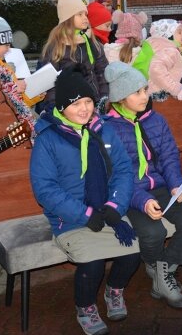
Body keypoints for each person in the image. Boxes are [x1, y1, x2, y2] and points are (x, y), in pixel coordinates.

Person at [29, 65, 140, 335]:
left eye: (89, 101)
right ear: (62, 107)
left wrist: (116, 206)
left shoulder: (104, 129)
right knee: (92, 263)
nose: (85, 109)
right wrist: (85, 214)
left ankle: (114, 291)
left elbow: (124, 170)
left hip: (106, 209)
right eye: (76, 103)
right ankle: (85, 307)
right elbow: (45, 189)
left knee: (132, 253)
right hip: (70, 218)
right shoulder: (49, 139)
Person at [102, 62, 182, 308]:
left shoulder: (155, 120)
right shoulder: (106, 129)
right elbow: (116, 176)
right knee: (153, 233)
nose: (145, 96)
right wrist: (143, 201)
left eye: (145, 89)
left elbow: (168, 157)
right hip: (129, 193)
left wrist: (176, 185)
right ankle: (161, 274)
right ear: (120, 98)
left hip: (159, 186)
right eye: (137, 92)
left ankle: (162, 272)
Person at [39, 0, 109, 109]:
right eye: (80, 14)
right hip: (69, 105)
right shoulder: (56, 47)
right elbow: (50, 82)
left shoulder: (93, 43)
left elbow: (102, 73)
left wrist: (104, 98)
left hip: (94, 102)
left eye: (86, 14)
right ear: (68, 18)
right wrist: (53, 107)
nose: (85, 18)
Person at [132, 19, 182, 100]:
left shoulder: (162, 49)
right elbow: (156, 69)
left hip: (157, 96)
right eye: (179, 32)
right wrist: (176, 89)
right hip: (164, 98)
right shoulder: (170, 50)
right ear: (168, 36)